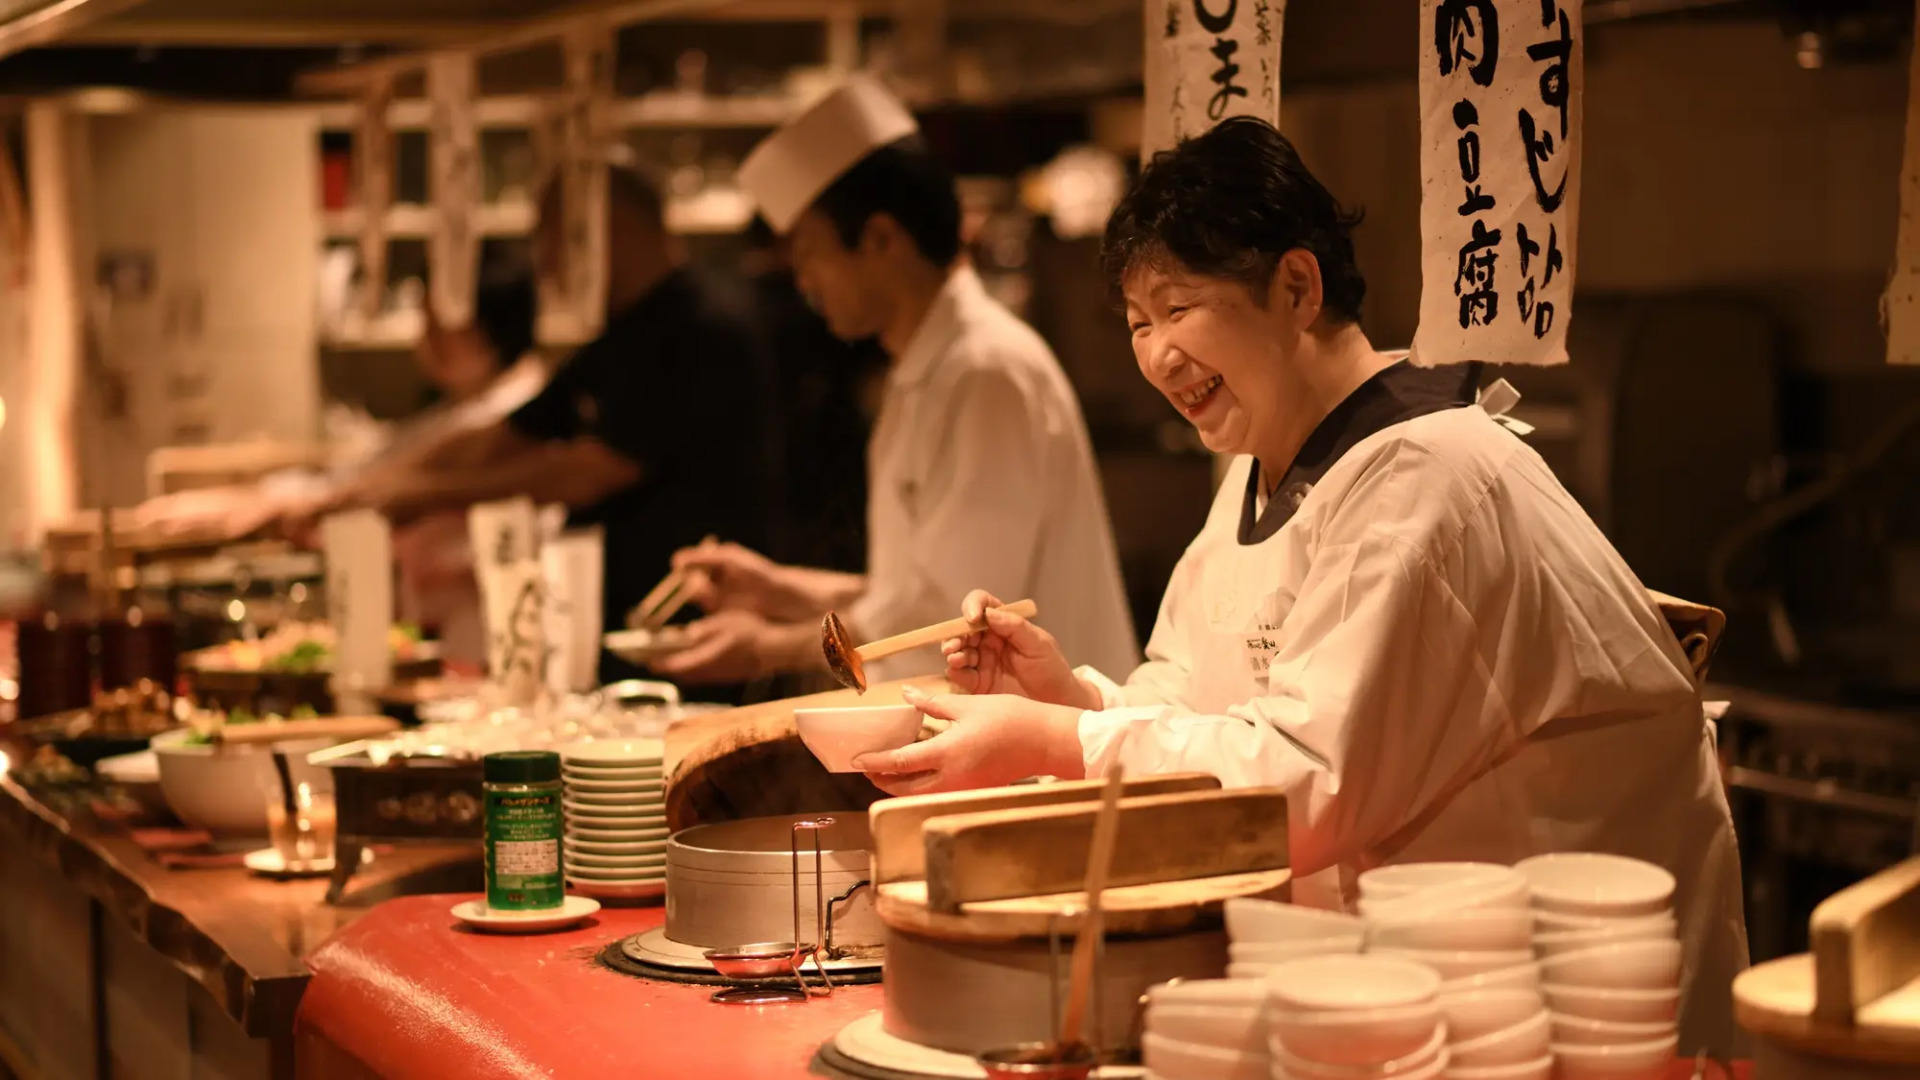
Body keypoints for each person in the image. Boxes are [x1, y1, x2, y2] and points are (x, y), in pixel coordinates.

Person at [849, 118, 1749, 1056]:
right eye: (1139, 324)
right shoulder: (1260, 466)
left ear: (1296, 287)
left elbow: (1307, 783)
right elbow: (1195, 695)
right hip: (1409, 998)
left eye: (1179, 309)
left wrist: (1061, 742)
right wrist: (1073, 700)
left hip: (1580, 1011)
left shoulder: (1425, 473)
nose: (1157, 356)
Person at [651, 75, 1138, 687]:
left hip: (1055, 734)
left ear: (881, 239)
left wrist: (765, 647)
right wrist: (776, 589)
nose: (803, 281)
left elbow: (951, 623)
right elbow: (908, 596)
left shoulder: (987, 374)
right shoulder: (925, 370)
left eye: (809, 252)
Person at [311, 161, 775, 686]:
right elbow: (507, 434)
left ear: (607, 227)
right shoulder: (627, 327)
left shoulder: (702, 323)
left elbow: (587, 473)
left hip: (693, 622)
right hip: (622, 620)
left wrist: (420, 494)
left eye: (553, 237)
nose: (544, 261)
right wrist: (368, 486)